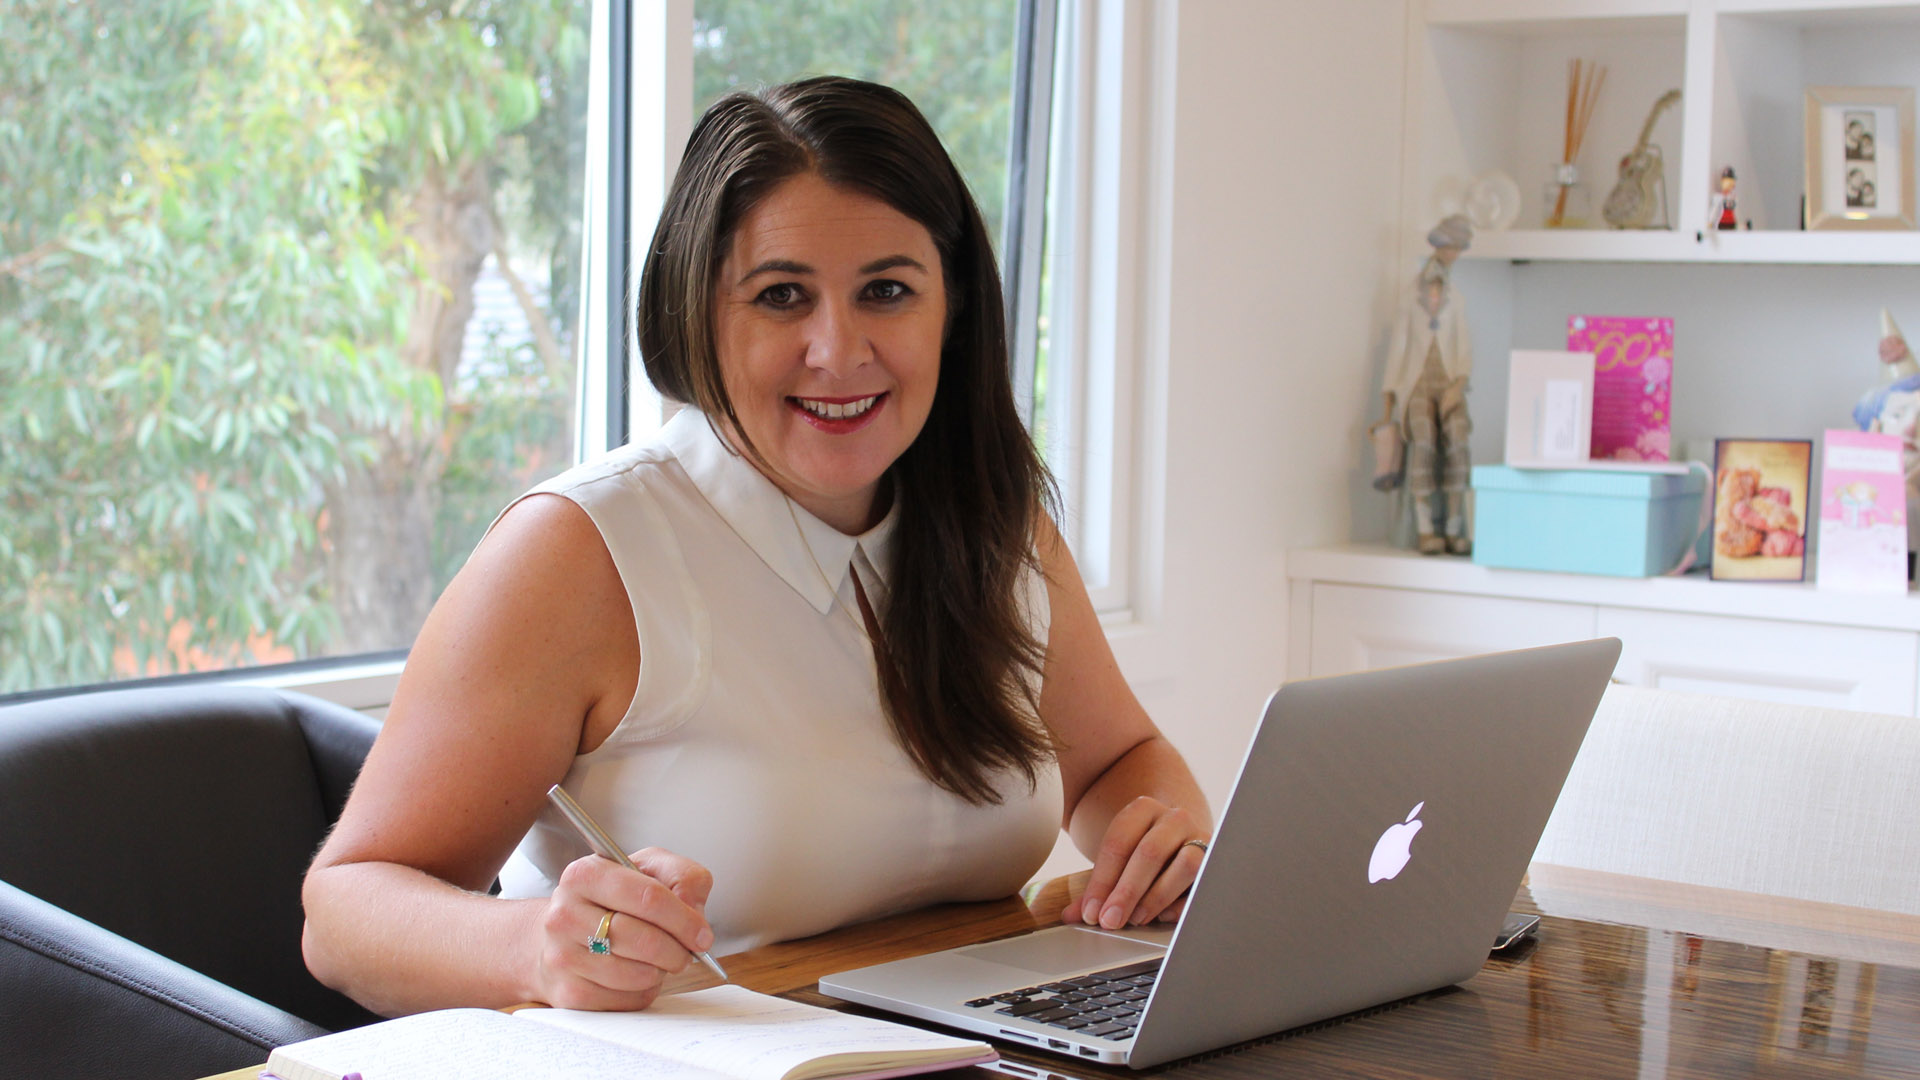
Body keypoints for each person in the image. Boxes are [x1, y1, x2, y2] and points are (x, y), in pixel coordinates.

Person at [301, 76, 1211, 1019]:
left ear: (956, 309)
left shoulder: (995, 520)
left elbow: (1119, 762)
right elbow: (345, 912)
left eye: (887, 291)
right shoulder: (578, 550)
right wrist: (536, 949)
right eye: (782, 296)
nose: (838, 348)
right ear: (698, 311)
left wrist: (1160, 847)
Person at [1378, 214, 1474, 555]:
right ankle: (1423, 528)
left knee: (1458, 437)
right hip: (1417, 383)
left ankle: (1451, 526)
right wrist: (1389, 401)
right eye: (1452, 246)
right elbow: (1399, 349)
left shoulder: (1456, 298)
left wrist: (1458, 384)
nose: (1454, 253)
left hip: (1447, 381)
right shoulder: (1410, 296)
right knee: (1423, 440)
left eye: (1459, 248)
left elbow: (1463, 347)